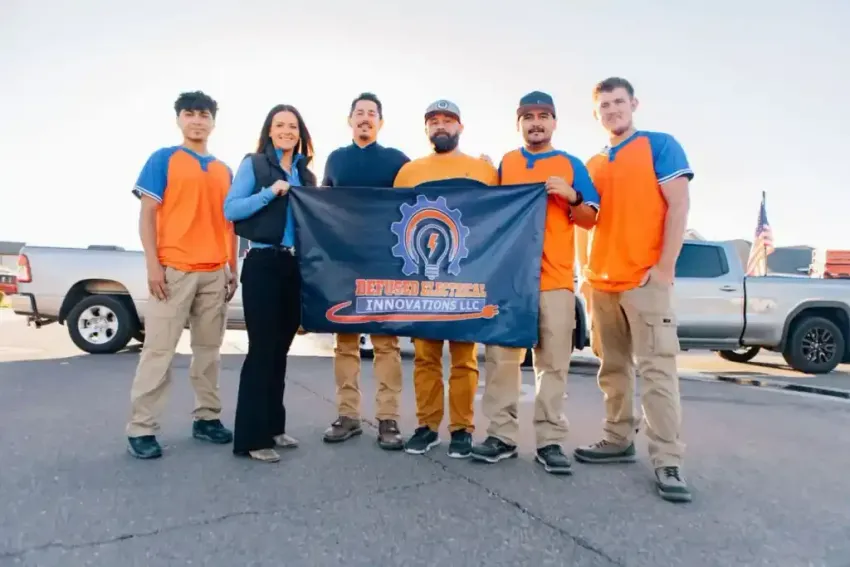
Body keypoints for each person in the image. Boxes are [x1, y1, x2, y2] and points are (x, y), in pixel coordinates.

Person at [573, 77, 693, 503]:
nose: (612, 110)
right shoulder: (592, 163)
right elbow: (586, 220)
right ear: (596, 113)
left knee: (658, 371)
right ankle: (617, 438)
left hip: (645, 283)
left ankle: (668, 461)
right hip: (602, 284)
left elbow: (678, 205)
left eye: (618, 102)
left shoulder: (660, 145)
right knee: (613, 370)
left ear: (633, 104)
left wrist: (663, 269)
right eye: (604, 105)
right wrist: (585, 274)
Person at [470, 91, 600, 475]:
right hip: (509, 281)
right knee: (501, 361)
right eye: (529, 117)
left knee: (553, 363)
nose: (536, 122)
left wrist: (572, 195)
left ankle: (550, 440)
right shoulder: (507, 163)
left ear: (555, 122)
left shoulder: (570, 163)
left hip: (555, 279)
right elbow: (491, 212)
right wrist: (484, 175)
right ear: (519, 124)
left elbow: (591, 217)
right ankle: (502, 436)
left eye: (544, 116)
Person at [126, 91, 238, 459]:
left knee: (208, 353)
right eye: (189, 114)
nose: (197, 121)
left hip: (213, 274)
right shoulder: (164, 159)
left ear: (213, 122)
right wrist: (153, 265)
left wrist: (231, 267)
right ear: (179, 120)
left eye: (204, 114)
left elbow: (230, 223)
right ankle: (142, 428)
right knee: (158, 351)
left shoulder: (224, 170)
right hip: (173, 271)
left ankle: (207, 418)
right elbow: (147, 215)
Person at [393, 99, 499, 459]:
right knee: (424, 356)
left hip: (467, 278)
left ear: (460, 127)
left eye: (448, 120)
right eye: (434, 121)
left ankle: (462, 429)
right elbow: (391, 219)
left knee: (464, 357)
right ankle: (426, 425)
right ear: (426, 129)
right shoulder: (408, 171)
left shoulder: (483, 170)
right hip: (421, 280)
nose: (441, 126)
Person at [223, 104, 317, 463]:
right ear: (269, 130)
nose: (286, 131)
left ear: (300, 133)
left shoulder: (306, 175)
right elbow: (231, 210)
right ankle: (251, 437)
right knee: (262, 350)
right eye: (280, 125)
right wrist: (269, 192)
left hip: (295, 266)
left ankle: (274, 427)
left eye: (292, 126)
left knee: (280, 350)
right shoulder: (255, 164)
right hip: (263, 262)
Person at [320, 93, 411, 450]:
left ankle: (388, 419)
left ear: (380, 123)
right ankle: (348, 416)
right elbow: (321, 206)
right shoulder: (336, 160)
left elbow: (420, 196)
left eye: (371, 113)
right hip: (345, 264)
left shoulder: (397, 160)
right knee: (344, 344)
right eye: (359, 113)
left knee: (386, 345)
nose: (365, 118)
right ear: (350, 120)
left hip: (385, 263)